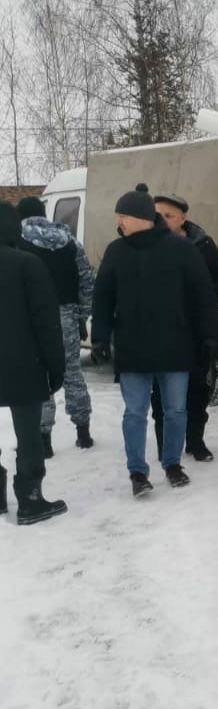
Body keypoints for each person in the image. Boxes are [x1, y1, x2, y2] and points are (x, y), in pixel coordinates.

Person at [91, 186, 218, 496]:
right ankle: (137, 472)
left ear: (140, 218)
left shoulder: (180, 249)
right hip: (133, 348)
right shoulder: (116, 251)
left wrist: (210, 334)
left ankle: (173, 464)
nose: (119, 222)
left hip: (175, 345)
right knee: (135, 413)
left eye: (122, 216)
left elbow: (203, 294)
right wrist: (99, 337)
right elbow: (103, 298)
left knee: (175, 410)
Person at [0, 202, 68, 524]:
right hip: (24, 365)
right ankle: (30, 500)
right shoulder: (28, 265)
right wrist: (56, 369)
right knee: (28, 435)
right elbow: (47, 323)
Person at [150, 192, 218, 462]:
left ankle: (195, 442)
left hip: (195, 331)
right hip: (161, 332)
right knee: (161, 393)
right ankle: (166, 445)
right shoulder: (146, 244)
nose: (161, 220)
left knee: (197, 389)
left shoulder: (202, 244)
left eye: (168, 215)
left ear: (183, 218)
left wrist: (206, 306)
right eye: (157, 214)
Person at [16, 195, 95, 455]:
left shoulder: (18, 243)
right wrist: (82, 317)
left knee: (40, 375)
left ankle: (45, 440)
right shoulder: (70, 241)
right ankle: (83, 432)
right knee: (73, 372)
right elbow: (86, 283)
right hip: (68, 316)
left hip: (33, 320)